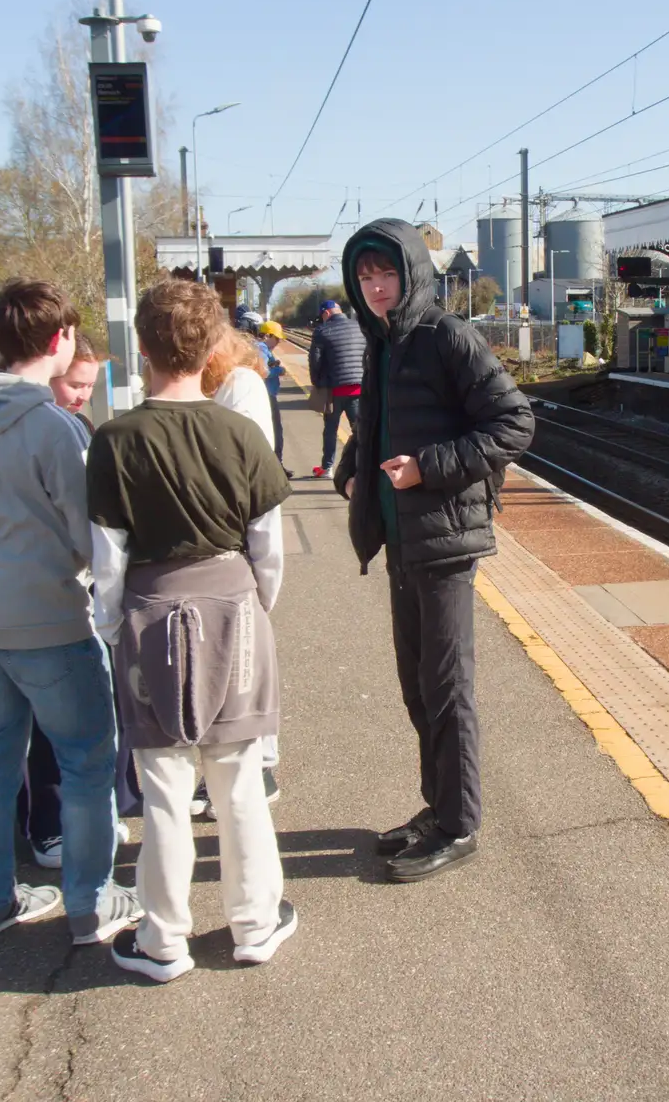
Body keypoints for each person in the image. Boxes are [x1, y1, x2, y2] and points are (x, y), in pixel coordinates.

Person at [90, 277, 295, 981]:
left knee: (164, 787)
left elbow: (107, 559)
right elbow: (268, 548)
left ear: (141, 347)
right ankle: (255, 925)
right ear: (212, 345)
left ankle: (163, 939)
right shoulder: (241, 433)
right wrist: (253, 605)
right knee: (239, 781)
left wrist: (113, 624)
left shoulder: (114, 442)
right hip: (235, 611)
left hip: (150, 615)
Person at [0, 278, 140, 945]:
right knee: (84, 762)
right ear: (58, 340)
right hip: (48, 619)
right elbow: (91, 535)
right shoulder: (53, 428)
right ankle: (90, 901)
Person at [333, 219, 534, 882]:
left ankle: (460, 825)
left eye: (385, 273)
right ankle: (438, 807)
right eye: (364, 277)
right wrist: (350, 473)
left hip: (445, 538)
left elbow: (513, 424)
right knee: (417, 685)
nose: (376, 287)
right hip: (403, 541)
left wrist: (428, 466)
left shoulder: (447, 337)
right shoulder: (379, 344)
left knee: (447, 689)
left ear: (412, 271)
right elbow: (377, 428)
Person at [16, 331, 111, 871]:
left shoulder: (67, 424)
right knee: (55, 726)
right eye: (75, 384)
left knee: (66, 722)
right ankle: (50, 829)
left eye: (89, 387)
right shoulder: (48, 431)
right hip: (49, 596)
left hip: (44, 593)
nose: (81, 395)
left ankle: (60, 822)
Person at [200, 323, 285, 809]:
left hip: (236, 549)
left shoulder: (242, 387)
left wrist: (266, 578)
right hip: (226, 548)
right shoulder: (224, 386)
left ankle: (261, 768)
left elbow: (253, 476)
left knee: (244, 668)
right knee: (226, 667)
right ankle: (232, 770)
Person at [308, 297, 366, 479]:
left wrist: (317, 383)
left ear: (326, 313)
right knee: (359, 429)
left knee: (331, 429)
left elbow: (315, 361)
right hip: (359, 388)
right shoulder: (359, 327)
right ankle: (363, 467)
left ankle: (327, 468)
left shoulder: (322, 331)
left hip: (334, 390)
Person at [255, 321, 291, 477]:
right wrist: (279, 370)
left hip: (265, 394)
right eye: (277, 338)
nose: (278, 342)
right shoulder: (261, 348)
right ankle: (277, 467)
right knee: (276, 431)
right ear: (268, 335)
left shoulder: (259, 347)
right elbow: (264, 371)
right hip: (268, 395)